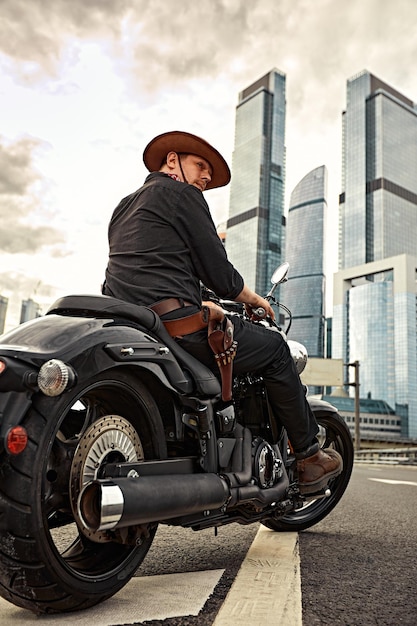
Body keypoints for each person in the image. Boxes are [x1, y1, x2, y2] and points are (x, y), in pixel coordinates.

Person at [103, 130, 342, 494]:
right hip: (178, 329)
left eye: (208, 177)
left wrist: (200, 301)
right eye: (200, 166)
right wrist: (254, 298)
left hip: (135, 327)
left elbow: (150, 270)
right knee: (276, 350)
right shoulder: (182, 194)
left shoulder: (124, 206)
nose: (204, 178)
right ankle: (310, 456)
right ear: (172, 161)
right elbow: (220, 274)